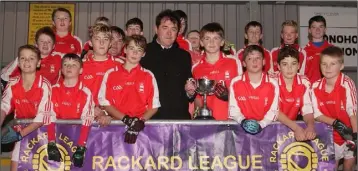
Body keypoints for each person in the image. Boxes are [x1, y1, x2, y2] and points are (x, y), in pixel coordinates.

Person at [99, 35, 160, 144]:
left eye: (139, 50)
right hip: (114, 128)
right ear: (125, 49)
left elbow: (154, 107)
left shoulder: (148, 75)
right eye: (131, 48)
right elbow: (106, 103)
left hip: (140, 130)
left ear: (144, 54)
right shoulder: (111, 73)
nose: (135, 53)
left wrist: (139, 122)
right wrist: (126, 119)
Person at [1, 45, 52, 170]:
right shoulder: (12, 83)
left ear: (39, 62)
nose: (27, 61)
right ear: (18, 62)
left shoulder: (45, 84)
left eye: (31, 58)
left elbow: (42, 116)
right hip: (20, 133)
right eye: (23, 58)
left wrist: (20, 134)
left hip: (42, 134)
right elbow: (4, 106)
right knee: (15, 167)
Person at [140, 9, 193, 120]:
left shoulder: (184, 56)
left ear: (178, 32)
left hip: (179, 118)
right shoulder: (143, 53)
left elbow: (189, 87)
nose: (169, 33)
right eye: (165, 28)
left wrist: (190, 92)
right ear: (156, 29)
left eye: (173, 29)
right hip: (150, 119)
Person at [312, 46, 357, 170]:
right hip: (329, 136)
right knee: (332, 167)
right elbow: (316, 114)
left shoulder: (347, 83)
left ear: (341, 66)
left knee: (348, 167)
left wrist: (355, 137)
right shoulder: (315, 86)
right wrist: (335, 123)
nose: (327, 68)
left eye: (333, 64)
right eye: (324, 64)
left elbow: (352, 112)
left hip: (349, 133)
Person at [45, 53, 94, 167]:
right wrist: (51, 143)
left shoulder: (86, 92)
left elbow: (87, 119)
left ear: (81, 70)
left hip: (78, 139)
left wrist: (81, 147)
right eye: (66, 64)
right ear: (61, 70)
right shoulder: (52, 90)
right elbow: (48, 115)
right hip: (57, 140)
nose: (69, 67)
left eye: (73, 65)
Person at [190, 22, 243, 120]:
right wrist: (197, 115)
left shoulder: (233, 62)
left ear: (222, 42)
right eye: (207, 39)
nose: (211, 42)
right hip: (207, 123)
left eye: (216, 38)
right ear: (201, 42)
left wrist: (229, 96)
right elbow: (198, 98)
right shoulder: (196, 68)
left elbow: (243, 91)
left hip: (231, 121)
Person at [229, 45, 279, 135]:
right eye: (250, 59)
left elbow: (273, 111)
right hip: (240, 130)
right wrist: (243, 121)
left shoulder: (273, 84)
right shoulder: (235, 82)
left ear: (264, 61)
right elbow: (233, 109)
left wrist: (261, 125)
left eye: (258, 58)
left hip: (266, 130)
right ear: (244, 63)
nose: (254, 61)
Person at [81, 23, 123, 126]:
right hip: (84, 121)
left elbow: (125, 96)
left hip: (113, 122)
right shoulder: (80, 65)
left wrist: (109, 114)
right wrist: (89, 108)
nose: (101, 42)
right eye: (97, 39)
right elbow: (71, 94)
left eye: (105, 39)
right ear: (90, 43)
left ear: (110, 44)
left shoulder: (121, 66)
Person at [273, 46, 316, 141]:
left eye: (293, 63)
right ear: (278, 66)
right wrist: (296, 128)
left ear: (299, 66)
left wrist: (310, 126)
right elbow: (274, 111)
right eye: (285, 64)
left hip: (291, 125)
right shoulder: (272, 81)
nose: (289, 68)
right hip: (270, 128)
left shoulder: (304, 82)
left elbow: (307, 110)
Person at [304, 15, 332, 83]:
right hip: (309, 90)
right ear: (309, 30)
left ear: (325, 29)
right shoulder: (303, 51)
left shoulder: (332, 50)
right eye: (314, 27)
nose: (317, 30)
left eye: (321, 26)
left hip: (328, 90)